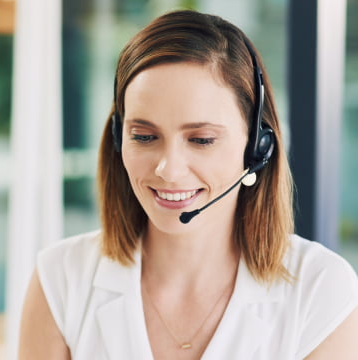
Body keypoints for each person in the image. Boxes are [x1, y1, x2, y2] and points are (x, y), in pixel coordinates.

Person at [18, 9, 358, 360]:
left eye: (201, 139)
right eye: (145, 136)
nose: (168, 169)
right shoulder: (60, 279)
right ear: (120, 139)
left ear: (258, 147)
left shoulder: (321, 289)